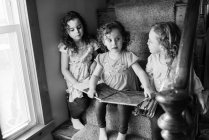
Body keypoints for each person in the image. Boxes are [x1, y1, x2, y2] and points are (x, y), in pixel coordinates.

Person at [87, 21, 154, 140]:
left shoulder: (128, 56)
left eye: (117, 38)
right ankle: (102, 129)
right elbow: (95, 75)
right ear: (103, 42)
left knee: (123, 108)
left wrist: (147, 86)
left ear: (123, 38)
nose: (114, 43)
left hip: (125, 91)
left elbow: (140, 72)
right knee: (98, 104)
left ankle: (122, 133)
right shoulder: (102, 58)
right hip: (108, 90)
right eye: (109, 40)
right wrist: (92, 87)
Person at [146, 21, 207, 140]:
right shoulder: (152, 59)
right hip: (160, 100)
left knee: (187, 120)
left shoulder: (181, 62)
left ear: (163, 45)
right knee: (155, 120)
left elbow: (193, 78)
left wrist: (200, 97)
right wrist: (150, 90)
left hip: (179, 100)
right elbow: (149, 76)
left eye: (151, 41)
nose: (147, 42)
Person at [58, 11, 99, 130]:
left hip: (90, 75)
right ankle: (74, 117)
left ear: (83, 26)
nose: (77, 31)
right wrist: (75, 84)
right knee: (81, 101)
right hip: (75, 77)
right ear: (67, 32)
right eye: (72, 29)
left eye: (79, 27)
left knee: (95, 92)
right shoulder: (66, 46)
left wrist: (94, 63)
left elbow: (100, 57)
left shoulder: (91, 42)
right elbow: (64, 69)